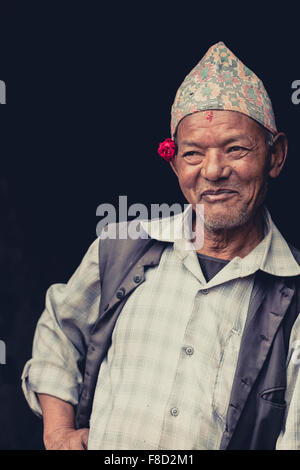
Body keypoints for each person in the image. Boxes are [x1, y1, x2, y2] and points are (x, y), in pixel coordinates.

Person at [22, 41, 300, 450]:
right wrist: (58, 432)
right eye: (193, 153)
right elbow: (59, 331)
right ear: (174, 165)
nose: (214, 170)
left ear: (275, 156)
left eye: (235, 149)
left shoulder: (292, 293)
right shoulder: (121, 249)